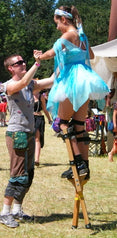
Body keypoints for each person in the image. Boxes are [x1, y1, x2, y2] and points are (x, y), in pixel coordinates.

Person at [34, 5, 109, 179]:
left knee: (62, 123)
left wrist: (39, 56)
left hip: (71, 81)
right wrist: (74, 52)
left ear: (64, 20)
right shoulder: (82, 36)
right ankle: (85, 165)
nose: (57, 27)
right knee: (79, 125)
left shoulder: (67, 35)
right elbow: (90, 55)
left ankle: (77, 163)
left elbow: (51, 54)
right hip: (85, 81)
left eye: (57, 23)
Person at [0, 53, 54, 228]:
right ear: (11, 68)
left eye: (24, 61)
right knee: (18, 175)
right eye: (19, 62)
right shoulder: (8, 85)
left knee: (28, 175)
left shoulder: (30, 84)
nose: (23, 64)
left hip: (29, 132)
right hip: (17, 133)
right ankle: (4, 213)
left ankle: (17, 210)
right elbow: (21, 83)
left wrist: (63, 58)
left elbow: (51, 81)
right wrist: (36, 64)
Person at [33, 90, 52, 166]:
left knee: (37, 139)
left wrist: (49, 119)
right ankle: (30, 159)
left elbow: (44, 109)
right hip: (29, 119)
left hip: (38, 118)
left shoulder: (41, 97)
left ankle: (36, 159)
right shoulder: (27, 95)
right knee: (29, 139)